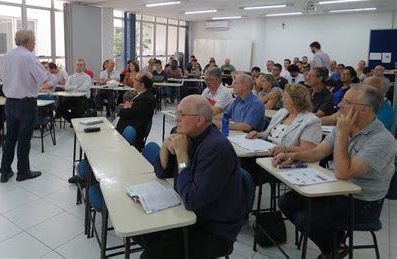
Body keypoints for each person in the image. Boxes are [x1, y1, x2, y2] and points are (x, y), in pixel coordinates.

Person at [274, 84, 395, 259]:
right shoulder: (345, 126)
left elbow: (343, 173)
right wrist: (292, 155)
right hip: (336, 189)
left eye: (346, 102)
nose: (340, 105)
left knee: (305, 218)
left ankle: (332, 250)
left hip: (363, 202)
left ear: (362, 109)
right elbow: (318, 152)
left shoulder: (382, 140)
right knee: (287, 202)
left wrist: (343, 134)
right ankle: (335, 245)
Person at [137, 95, 245, 259]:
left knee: (150, 255)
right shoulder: (186, 136)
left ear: (199, 120)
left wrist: (181, 154)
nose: (176, 118)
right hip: (188, 214)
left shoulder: (215, 147)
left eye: (182, 114)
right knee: (141, 231)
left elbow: (192, 199)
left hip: (213, 228)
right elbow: (161, 172)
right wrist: (166, 146)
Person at [244, 84, 322, 182]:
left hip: (284, 160)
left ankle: (244, 192)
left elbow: (308, 150)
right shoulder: (282, 112)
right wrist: (258, 134)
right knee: (240, 162)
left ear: (296, 100)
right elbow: (269, 133)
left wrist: (284, 148)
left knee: (246, 168)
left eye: (285, 97)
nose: (282, 100)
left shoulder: (311, 121)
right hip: (266, 152)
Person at [0, 30, 48, 183]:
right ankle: (23, 171)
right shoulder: (28, 57)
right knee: (24, 138)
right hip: (26, 103)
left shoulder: (6, 57)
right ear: (27, 42)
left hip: (10, 102)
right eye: (34, 41)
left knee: (10, 138)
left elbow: (2, 77)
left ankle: (5, 171)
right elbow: (43, 77)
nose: (34, 44)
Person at [322, 76, 396, 133]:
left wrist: (341, 132)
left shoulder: (387, 113)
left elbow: (361, 131)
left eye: (365, 86)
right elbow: (332, 118)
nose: (360, 88)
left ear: (377, 91)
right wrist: (312, 122)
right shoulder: (354, 102)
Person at [116, 72, 155, 151]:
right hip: (126, 129)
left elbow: (123, 114)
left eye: (136, 79)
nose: (133, 80)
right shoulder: (141, 95)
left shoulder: (145, 100)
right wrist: (126, 107)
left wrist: (124, 107)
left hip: (131, 136)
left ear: (142, 85)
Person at [57, 59, 92, 123]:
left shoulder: (87, 77)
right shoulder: (71, 77)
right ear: (75, 66)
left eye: (81, 65)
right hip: (71, 97)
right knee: (60, 109)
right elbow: (66, 87)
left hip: (83, 98)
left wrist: (72, 88)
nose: (79, 66)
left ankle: (74, 121)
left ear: (84, 66)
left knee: (76, 109)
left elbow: (85, 88)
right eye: (77, 64)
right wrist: (77, 87)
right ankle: (72, 121)